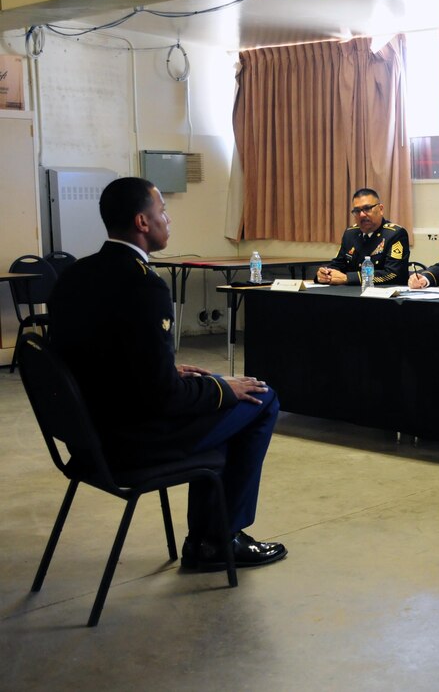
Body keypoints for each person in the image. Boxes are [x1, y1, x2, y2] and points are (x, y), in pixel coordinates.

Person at [49, 177, 287, 571]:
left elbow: (96, 355)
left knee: (220, 400)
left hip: (88, 435)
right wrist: (220, 388)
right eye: (163, 211)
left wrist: (172, 371)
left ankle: (209, 539)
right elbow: (164, 399)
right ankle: (219, 539)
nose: (168, 219)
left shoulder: (76, 274)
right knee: (261, 398)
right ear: (143, 222)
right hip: (131, 442)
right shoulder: (143, 286)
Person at [315, 187, 410, 286]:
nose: (362, 215)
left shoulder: (395, 234)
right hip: (350, 294)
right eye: (357, 211)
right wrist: (325, 274)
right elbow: (339, 264)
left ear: (381, 209)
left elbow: (393, 274)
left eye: (367, 208)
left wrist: (348, 278)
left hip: (382, 296)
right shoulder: (350, 234)